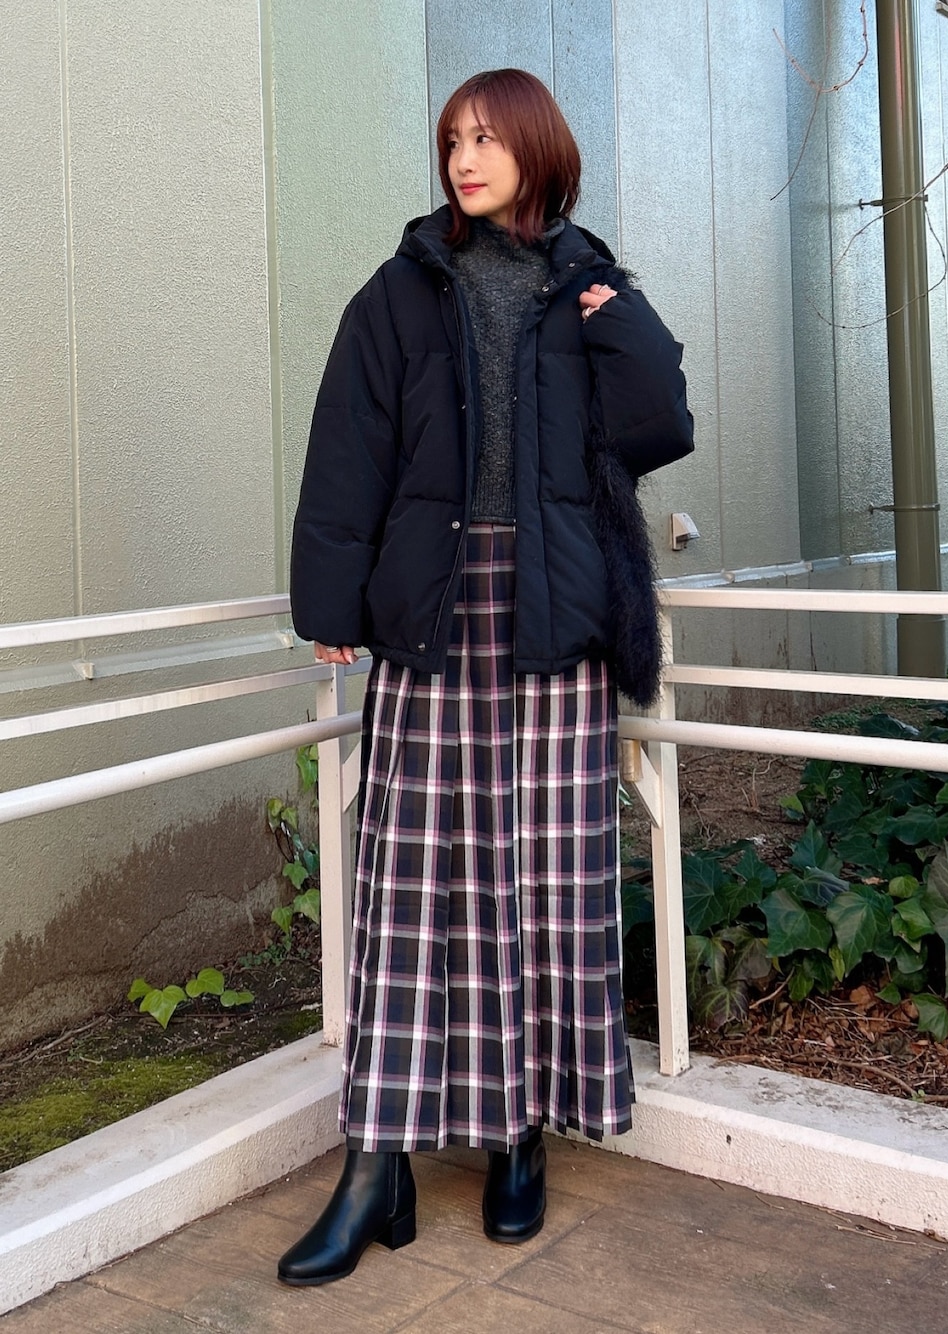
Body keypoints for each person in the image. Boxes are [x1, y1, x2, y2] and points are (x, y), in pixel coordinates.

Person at [277, 67, 693, 1287]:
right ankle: (376, 1161)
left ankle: (519, 1133)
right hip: (433, 608)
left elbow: (658, 425)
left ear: (535, 150)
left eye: (486, 139)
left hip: (555, 610)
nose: (463, 158)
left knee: (546, 880)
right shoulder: (401, 290)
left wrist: (614, 311)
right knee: (407, 885)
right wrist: (330, 601)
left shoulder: (586, 283)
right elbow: (348, 444)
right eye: (451, 139)